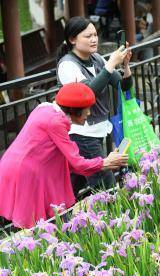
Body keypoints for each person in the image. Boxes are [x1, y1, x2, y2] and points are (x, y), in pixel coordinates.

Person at [0, 83, 128, 230]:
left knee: (45, 226)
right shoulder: (56, 121)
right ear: (75, 110)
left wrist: (104, 162)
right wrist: (105, 162)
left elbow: (72, 163)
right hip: (26, 173)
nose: (89, 113)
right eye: (87, 108)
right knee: (39, 228)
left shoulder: (45, 108)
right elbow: (78, 164)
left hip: (17, 167)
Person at [56, 16, 133, 197]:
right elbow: (86, 94)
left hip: (97, 132)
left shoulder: (96, 59)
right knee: (107, 188)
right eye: (88, 36)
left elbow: (123, 85)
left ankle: (58, 212)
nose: (94, 39)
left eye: (95, 35)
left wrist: (125, 65)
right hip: (82, 134)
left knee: (75, 183)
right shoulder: (67, 65)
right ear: (72, 39)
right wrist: (110, 65)